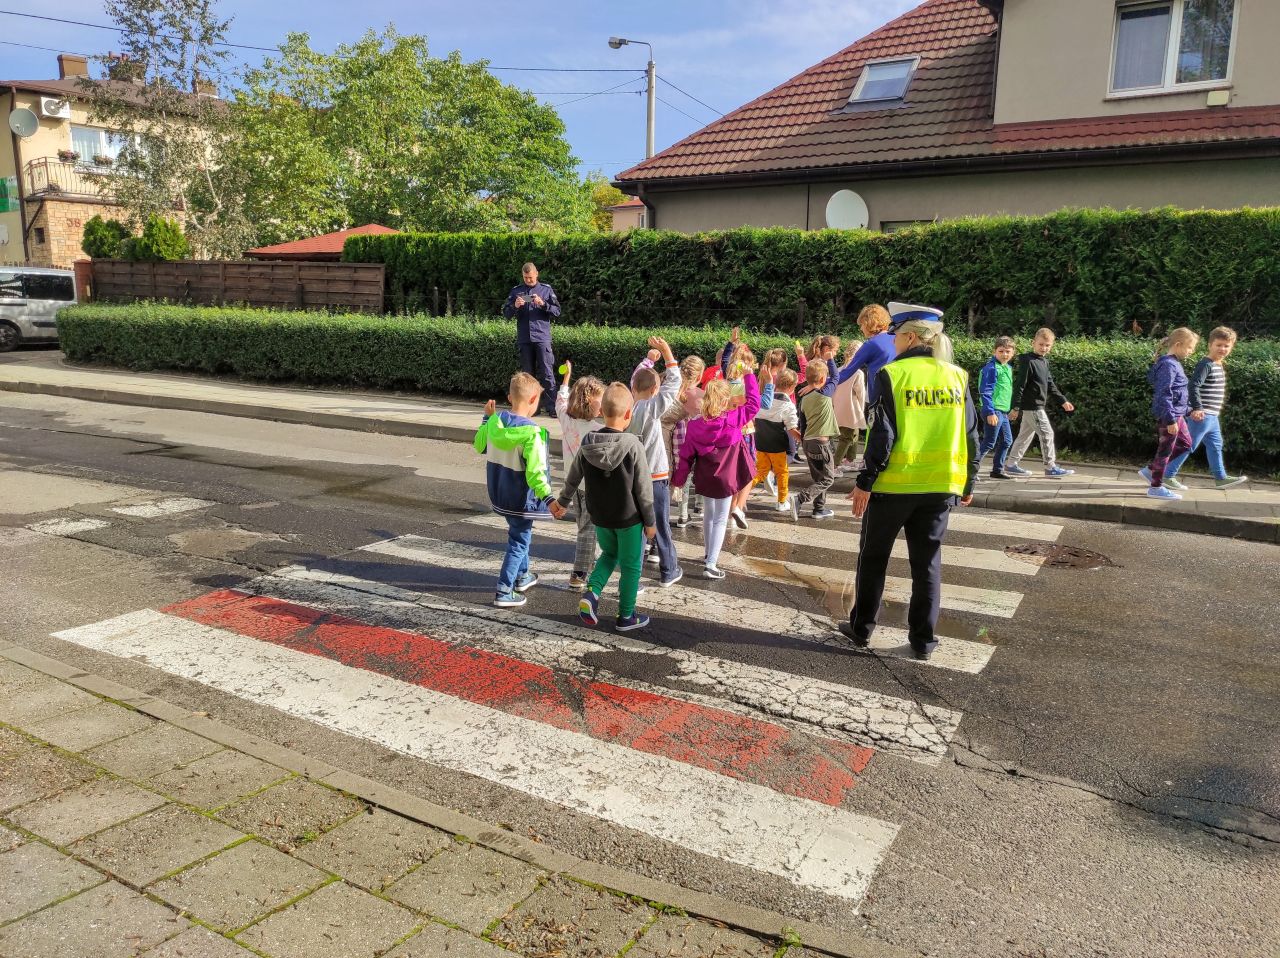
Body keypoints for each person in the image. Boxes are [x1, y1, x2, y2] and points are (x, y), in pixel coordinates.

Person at [842, 304, 979, 661]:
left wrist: (865, 481)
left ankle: (861, 628)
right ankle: (923, 641)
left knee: (873, 558)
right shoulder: (958, 376)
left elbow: (882, 435)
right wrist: (969, 481)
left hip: (893, 486)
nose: (893, 341)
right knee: (927, 565)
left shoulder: (893, 374)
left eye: (897, 335)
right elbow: (971, 434)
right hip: (940, 487)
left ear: (912, 337)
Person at [551, 383, 656, 632]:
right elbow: (644, 489)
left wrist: (562, 502)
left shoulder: (588, 441)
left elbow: (574, 476)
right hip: (629, 518)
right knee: (631, 566)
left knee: (609, 554)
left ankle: (592, 593)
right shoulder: (633, 444)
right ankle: (626, 616)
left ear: (601, 412)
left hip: (600, 516)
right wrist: (650, 522)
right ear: (628, 414)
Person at [473, 372, 556, 608]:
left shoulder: (495, 422)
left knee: (519, 533)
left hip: (501, 493)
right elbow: (536, 472)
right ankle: (504, 589)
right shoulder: (533, 433)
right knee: (519, 541)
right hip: (522, 498)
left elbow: (478, 445)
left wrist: (486, 418)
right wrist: (548, 498)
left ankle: (523, 575)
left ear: (510, 397)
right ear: (534, 400)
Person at [671, 370, 762, 581]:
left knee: (709, 515)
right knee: (720, 519)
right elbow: (754, 404)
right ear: (724, 400)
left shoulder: (694, 425)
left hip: (705, 476)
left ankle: (707, 554)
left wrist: (678, 481)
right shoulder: (733, 419)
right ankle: (711, 564)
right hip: (726, 476)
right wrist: (749, 376)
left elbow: (685, 457)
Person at [1158, 326, 1248, 490]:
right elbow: (1194, 386)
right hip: (1202, 415)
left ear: (1232, 347)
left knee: (1216, 445)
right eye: (1218, 345)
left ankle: (1220, 478)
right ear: (1210, 345)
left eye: (1226, 346)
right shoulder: (1206, 364)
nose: (1222, 349)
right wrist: (1197, 408)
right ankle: (1167, 475)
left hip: (1212, 416)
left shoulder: (1217, 364)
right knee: (1188, 445)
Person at [628, 337, 684, 587]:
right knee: (660, 524)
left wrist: (648, 361)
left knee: (637, 528)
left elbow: (637, 379)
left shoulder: (625, 410)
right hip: (655, 478)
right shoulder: (651, 409)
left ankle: (634, 578)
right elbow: (674, 383)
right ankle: (669, 570)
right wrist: (667, 352)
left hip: (632, 479)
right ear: (654, 391)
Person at [555, 361, 606, 587]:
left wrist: (566, 379)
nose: (603, 405)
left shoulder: (566, 420)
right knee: (588, 529)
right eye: (600, 401)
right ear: (588, 402)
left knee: (584, 525)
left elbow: (560, 400)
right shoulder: (597, 430)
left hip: (572, 484)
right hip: (591, 487)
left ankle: (589, 559)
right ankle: (579, 573)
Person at [1004, 328, 1076, 478]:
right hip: (1033, 406)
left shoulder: (1044, 362)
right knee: (1047, 434)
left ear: (1051, 346)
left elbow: (1050, 384)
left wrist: (1063, 401)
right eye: (1041, 344)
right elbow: (1020, 385)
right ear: (1033, 343)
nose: (1044, 348)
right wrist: (1015, 407)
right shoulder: (1027, 361)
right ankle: (1050, 467)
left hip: (1035, 407)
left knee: (1025, 436)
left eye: (1047, 345)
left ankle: (1011, 465)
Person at [1140, 328, 1198, 502]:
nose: (1191, 351)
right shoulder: (1168, 365)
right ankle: (1155, 487)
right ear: (1178, 345)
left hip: (1177, 414)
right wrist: (1170, 419)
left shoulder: (1173, 363)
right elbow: (1164, 393)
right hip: (1170, 416)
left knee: (1186, 444)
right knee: (1165, 451)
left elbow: (1177, 392)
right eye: (1190, 347)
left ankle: (1151, 470)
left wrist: (1189, 410)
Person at [502, 262, 560, 416]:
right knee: (528, 376)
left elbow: (557, 312)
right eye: (525, 278)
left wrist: (543, 304)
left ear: (536, 274)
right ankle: (532, 409)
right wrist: (515, 306)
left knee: (547, 373)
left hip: (542, 338)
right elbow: (506, 314)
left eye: (530, 277)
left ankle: (552, 408)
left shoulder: (546, 290)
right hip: (525, 339)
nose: (528, 280)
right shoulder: (517, 291)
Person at [789, 356, 840, 521]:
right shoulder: (825, 394)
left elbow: (802, 425)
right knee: (828, 479)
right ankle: (800, 499)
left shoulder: (804, 400)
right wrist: (830, 359)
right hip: (821, 443)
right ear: (823, 379)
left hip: (808, 443)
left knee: (819, 478)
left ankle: (819, 509)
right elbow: (836, 377)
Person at [662, 355, 706, 528]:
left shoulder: (669, 389)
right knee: (694, 476)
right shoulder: (698, 396)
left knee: (680, 480)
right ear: (700, 376)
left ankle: (682, 515)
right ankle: (697, 507)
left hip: (668, 443)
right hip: (690, 445)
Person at [751, 367, 802, 512]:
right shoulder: (788, 406)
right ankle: (781, 502)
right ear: (792, 387)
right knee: (782, 473)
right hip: (777, 447)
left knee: (760, 472)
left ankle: (741, 490)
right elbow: (792, 429)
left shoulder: (763, 399)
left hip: (760, 443)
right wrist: (803, 440)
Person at [835, 304, 896, 415]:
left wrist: (821, 383)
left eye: (862, 324)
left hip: (879, 401)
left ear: (869, 323)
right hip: (898, 396)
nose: (861, 328)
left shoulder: (871, 344)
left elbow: (846, 372)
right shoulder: (897, 338)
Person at [977, 336, 1017, 479]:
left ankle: (997, 470)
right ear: (994, 351)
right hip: (993, 411)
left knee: (1007, 441)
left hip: (1003, 412)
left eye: (1008, 351)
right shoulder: (991, 368)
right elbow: (985, 391)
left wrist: (1011, 409)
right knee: (989, 442)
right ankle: (971, 471)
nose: (1004, 354)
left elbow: (1005, 391)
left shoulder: (1008, 368)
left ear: (1013, 353)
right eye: (1001, 351)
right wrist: (990, 412)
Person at [833, 338, 867, 473]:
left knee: (854, 433)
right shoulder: (858, 373)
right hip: (852, 408)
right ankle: (834, 465)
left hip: (839, 407)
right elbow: (861, 394)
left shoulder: (839, 370)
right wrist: (861, 409)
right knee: (847, 437)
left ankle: (850, 460)